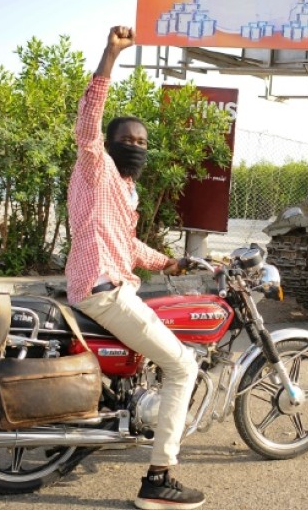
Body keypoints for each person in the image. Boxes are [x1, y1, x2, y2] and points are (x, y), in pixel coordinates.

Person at [65, 26, 205, 510]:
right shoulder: (96, 166)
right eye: (128, 139)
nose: (138, 146)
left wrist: (173, 261)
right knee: (182, 366)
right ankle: (160, 475)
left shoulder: (126, 189)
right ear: (109, 143)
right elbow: (87, 122)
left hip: (112, 283)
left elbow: (127, 243)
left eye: (143, 141)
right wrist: (110, 55)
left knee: (155, 350)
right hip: (102, 288)